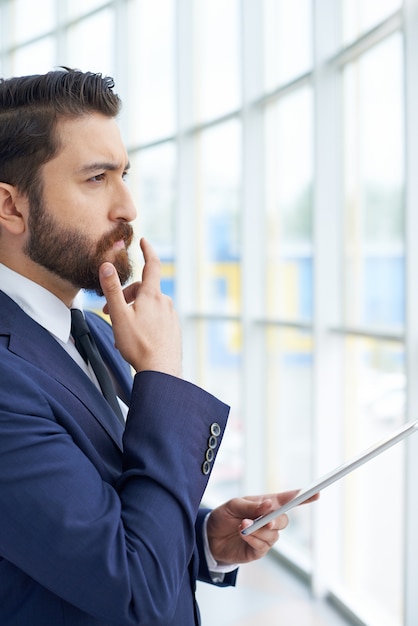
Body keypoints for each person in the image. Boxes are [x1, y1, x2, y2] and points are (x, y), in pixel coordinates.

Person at [0, 68, 308, 626]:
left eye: (124, 174)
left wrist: (203, 538)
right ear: (11, 207)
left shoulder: (90, 332)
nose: (128, 207)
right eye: (96, 179)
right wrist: (162, 375)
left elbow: (99, 515)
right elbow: (135, 590)